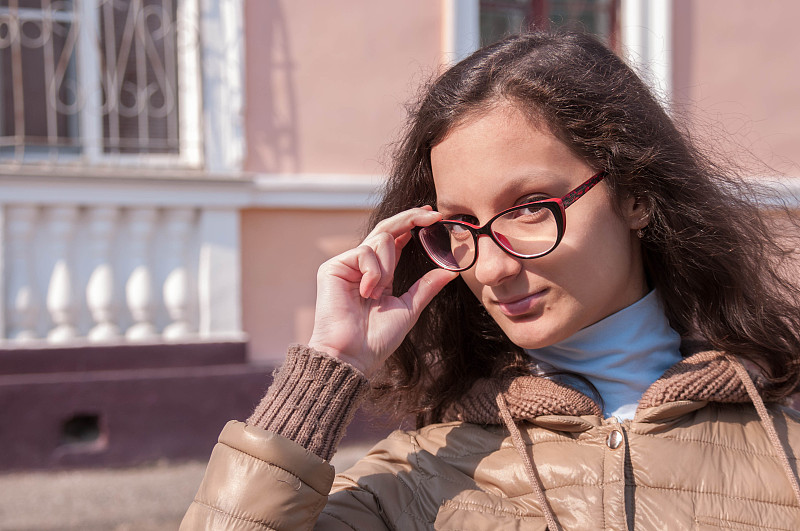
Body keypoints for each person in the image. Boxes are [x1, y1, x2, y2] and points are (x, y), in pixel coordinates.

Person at [181, 31, 800, 530]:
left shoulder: (784, 449)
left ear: (635, 195)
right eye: (460, 225)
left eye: (531, 207)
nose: (491, 267)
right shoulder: (418, 479)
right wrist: (328, 366)